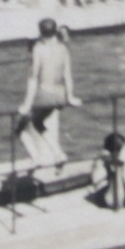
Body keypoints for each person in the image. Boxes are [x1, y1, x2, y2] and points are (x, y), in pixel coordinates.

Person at [18, 17, 80, 158]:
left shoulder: (38, 49)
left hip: (44, 95)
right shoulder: (63, 48)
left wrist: (27, 104)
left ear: (40, 32)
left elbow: (33, 78)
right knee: (38, 122)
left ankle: (37, 158)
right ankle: (58, 153)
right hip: (60, 96)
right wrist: (71, 97)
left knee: (20, 128)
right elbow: (67, 75)